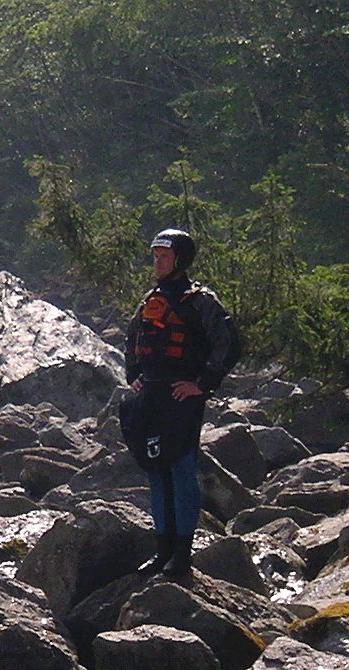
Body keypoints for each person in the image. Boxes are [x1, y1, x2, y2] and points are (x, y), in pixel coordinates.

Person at [121, 228, 238, 576]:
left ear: (180, 260)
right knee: (156, 470)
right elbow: (132, 340)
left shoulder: (201, 301)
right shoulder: (149, 300)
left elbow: (228, 344)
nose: (157, 262)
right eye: (155, 256)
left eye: (164, 257)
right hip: (152, 394)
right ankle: (163, 550)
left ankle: (182, 555)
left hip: (181, 396)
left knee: (181, 469)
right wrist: (133, 376)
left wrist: (201, 384)